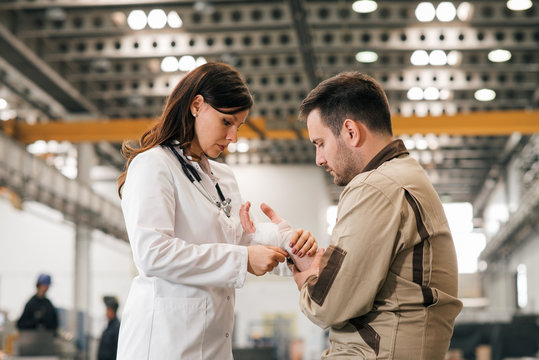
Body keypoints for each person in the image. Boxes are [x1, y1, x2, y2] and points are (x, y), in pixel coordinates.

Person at [116, 62, 317, 359]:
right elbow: (152, 253)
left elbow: (238, 239)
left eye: (239, 126)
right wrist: (242, 259)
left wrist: (288, 245)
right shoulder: (153, 165)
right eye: (227, 122)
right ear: (197, 105)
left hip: (212, 343)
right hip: (163, 344)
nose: (233, 136)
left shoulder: (223, 178)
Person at [291, 72, 463, 359]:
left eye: (320, 143)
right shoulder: (406, 176)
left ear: (350, 132)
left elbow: (327, 305)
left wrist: (308, 277)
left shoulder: (374, 188)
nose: (319, 159)